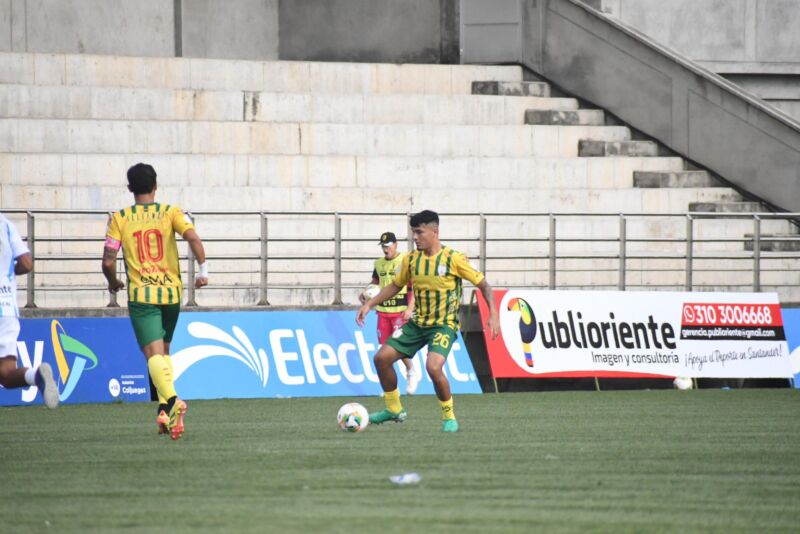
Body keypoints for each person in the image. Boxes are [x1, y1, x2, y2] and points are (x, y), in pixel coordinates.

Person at [356, 210, 500, 432]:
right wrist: (369, 304)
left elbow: (484, 285)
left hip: (443, 325)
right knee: (381, 358)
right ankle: (394, 409)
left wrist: (493, 313)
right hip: (417, 324)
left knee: (433, 367)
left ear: (435, 231)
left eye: (419, 232)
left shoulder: (454, 259)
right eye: (413, 232)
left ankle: (449, 417)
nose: (415, 237)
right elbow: (395, 285)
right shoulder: (411, 260)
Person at [101, 163, 208, 440]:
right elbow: (193, 237)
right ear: (155, 186)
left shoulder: (120, 218)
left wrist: (113, 282)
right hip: (171, 294)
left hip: (143, 296)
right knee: (165, 353)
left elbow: (108, 261)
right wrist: (203, 271)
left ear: (129, 188)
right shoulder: (171, 212)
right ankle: (163, 411)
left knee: (153, 355)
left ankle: (173, 400)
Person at [0, 213, 59, 408]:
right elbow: (26, 263)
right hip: (6, 309)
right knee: (6, 374)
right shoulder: (5, 224)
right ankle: (36, 376)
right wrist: (9, 272)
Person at [360, 231, 419, 394]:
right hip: (383, 312)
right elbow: (375, 282)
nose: (385, 249)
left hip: (400, 311)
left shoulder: (404, 260)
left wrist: (410, 308)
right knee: (384, 351)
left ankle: (411, 371)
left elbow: (415, 286)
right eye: (383, 247)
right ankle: (391, 387)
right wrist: (366, 292)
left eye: (388, 246)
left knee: (398, 347)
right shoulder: (379, 263)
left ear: (396, 245)